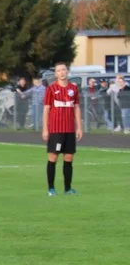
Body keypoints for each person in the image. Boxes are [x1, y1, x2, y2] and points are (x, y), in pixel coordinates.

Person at [42, 62, 83, 196]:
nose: (62, 72)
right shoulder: (51, 89)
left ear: (67, 71)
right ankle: (51, 189)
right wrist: (45, 129)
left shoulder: (73, 88)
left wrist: (79, 127)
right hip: (56, 129)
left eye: (63, 70)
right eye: (59, 70)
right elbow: (46, 109)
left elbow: (76, 107)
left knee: (69, 157)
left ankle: (68, 189)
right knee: (53, 157)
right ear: (56, 74)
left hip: (69, 129)